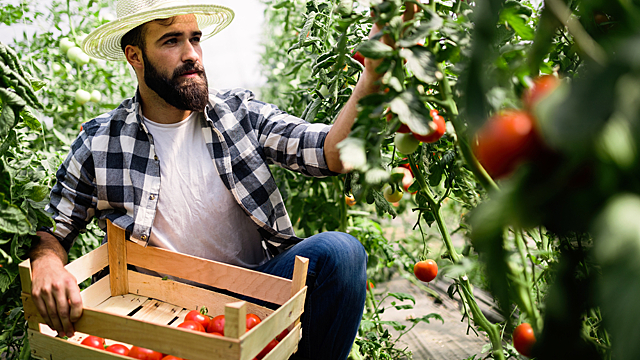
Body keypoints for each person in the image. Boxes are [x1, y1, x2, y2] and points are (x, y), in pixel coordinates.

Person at [28, 0, 418, 359]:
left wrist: (374, 70)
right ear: (135, 56)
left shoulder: (239, 114)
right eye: (171, 41)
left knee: (342, 253)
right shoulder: (101, 141)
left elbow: (332, 153)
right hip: (164, 309)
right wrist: (46, 263)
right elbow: (55, 228)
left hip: (253, 293)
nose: (191, 54)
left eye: (195, 38)